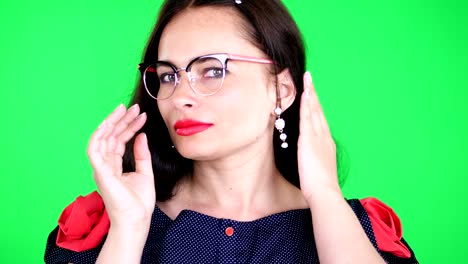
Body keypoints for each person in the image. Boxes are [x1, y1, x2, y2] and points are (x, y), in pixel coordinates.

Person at [44, 0, 418, 263]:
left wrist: (325, 198)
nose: (181, 97)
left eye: (212, 70)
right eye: (170, 75)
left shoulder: (360, 232)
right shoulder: (109, 228)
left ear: (282, 89)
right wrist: (127, 230)